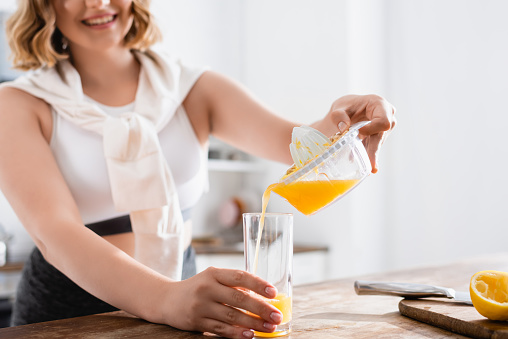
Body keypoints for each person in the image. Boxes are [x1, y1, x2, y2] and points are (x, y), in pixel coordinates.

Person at [0, 0, 396, 338]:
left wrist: (346, 121)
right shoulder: (18, 103)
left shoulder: (191, 88)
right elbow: (56, 233)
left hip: (180, 283)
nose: (98, 2)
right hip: (69, 304)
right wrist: (165, 299)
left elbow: (295, 144)